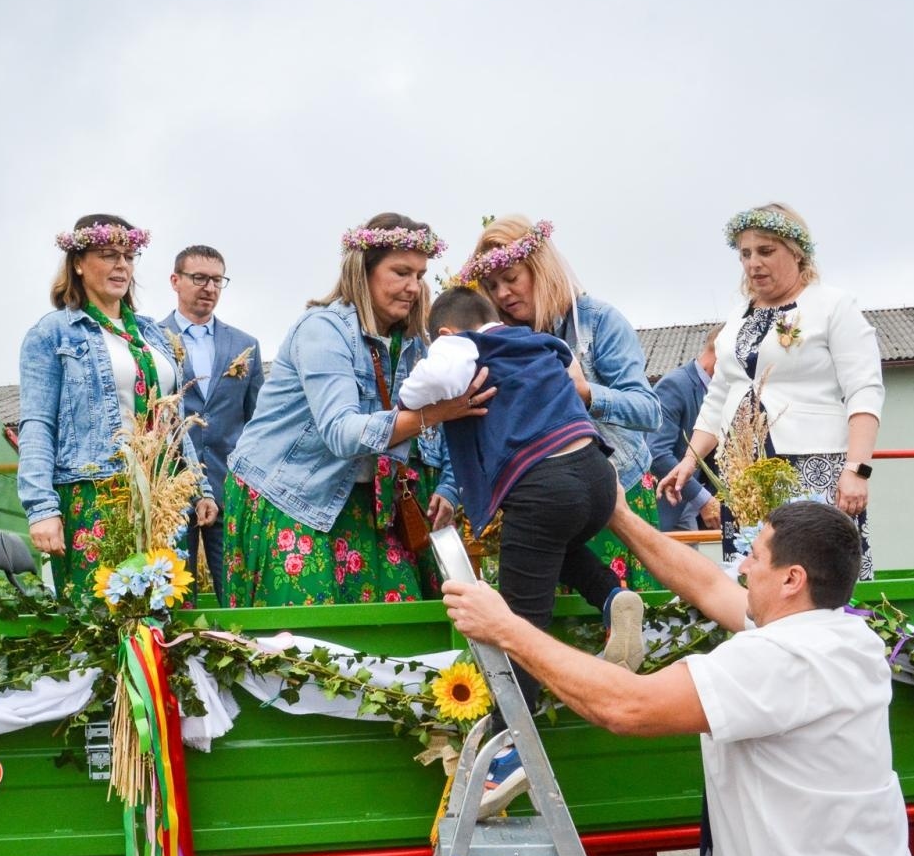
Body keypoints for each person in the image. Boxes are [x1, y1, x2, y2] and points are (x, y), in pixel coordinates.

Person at [440, 497, 914, 856]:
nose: (741, 567)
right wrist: (619, 515)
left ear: (792, 579)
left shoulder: (785, 660)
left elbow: (626, 706)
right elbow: (711, 587)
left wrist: (507, 628)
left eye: (755, 556)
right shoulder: (835, 630)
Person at [398, 287, 645, 814]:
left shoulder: (459, 346)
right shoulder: (541, 343)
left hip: (541, 482)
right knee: (563, 547)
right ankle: (611, 597)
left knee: (519, 624)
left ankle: (510, 756)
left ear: (446, 332)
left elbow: (428, 386)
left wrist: (413, 399)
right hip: (596, 474)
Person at [222, 213, 490, 607]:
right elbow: (341, 432)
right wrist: (433, 415)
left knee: (400, 621)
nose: (413, 287)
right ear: (362, 272)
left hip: (367, 499)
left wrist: (449, 487)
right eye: (400, 272)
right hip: (290, 493)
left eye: (420, 275)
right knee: (307, 639)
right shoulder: (322, 330)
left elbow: (451, 423)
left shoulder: (415, 341)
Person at [658, 204, 883, 577]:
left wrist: (857, 469)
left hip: (812, 467)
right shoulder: (738, 317)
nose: (753, 263)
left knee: (817, 576)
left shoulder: (832, 306)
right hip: (743, 475)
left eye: (765, 251)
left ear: (796, 251)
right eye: (745, 254)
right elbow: (718, 397)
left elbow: (865, 389)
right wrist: (688, 462)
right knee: (754, 579)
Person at [18, 214, 217, 599]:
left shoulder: (152, 333)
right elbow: (37, 424)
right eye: (108, 254)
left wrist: (199, 487)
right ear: (77, 263)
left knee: (164, 614)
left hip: (161, 497)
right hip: (97, 493)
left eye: (128, 256)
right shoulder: (53, 333)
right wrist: (41, 508)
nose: (121, 265)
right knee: (102, 618)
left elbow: (172, 418)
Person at [457, 216, 662, 589]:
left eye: (512, 278)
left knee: (629, 625)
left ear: (540, 268)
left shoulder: (599, 323)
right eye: (492, 285)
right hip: (546, 499)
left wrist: (587, 395)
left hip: (618, 491)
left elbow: (649, 411)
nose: (503, 293)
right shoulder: (500, 343)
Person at [158, 244, 263, 601]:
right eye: (199, 278)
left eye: (217, 280)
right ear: (175, 281)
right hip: (169, 489)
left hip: (228, 485)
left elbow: (257, 422)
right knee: (171, 595)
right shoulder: (149, 340)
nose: (209, 288)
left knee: (234, 593)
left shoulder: (245, 345)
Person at [651, 323, 722, 531]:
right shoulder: (674, 385)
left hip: (691, 509)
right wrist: (703, 500)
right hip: (669, 506)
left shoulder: (716, 390)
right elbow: (657, 452)